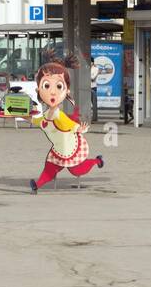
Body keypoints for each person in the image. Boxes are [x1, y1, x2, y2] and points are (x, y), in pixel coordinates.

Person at [27, 62, 104, 192]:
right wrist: (20, 115)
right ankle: (37, 185)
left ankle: (97, 161)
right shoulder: (46, 115)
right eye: (46, 86)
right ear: (38, 89)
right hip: (58, 150)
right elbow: (36, 120)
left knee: (77, 170)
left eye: (58, 86)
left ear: (66, 90)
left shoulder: (58, 115)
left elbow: (69, 123)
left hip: (69, 149)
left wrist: (79, 128)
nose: (52, 92)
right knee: (50, 169)